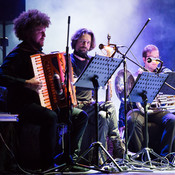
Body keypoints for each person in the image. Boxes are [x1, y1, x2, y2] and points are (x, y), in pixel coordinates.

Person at [0, 9, 88, 171]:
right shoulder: (17, 55)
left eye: (45, 31)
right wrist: (25, 82)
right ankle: (47, 166)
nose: (44, 36)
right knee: (50, 116)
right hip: (22, 105)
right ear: (27, 33)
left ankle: (66, 159)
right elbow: (1, 77)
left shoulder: (40, 54)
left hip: (41, 103)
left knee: (79, 115)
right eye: (40, 32)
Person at [70, 28, 125, 164]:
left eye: (88, 42)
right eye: (82, 41)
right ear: (75, 42)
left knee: (104, 114)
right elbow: (70, 83)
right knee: (106, 110)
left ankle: (100, 159)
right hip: (76, 105)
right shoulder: (68, 60)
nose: (85, 45)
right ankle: (118, 146)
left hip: (90, 104)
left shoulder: (91, 61)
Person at [118, 44, 175, 161]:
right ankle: (141, 156)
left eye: (157, 58)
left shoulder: (164, 74)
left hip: (158, 111)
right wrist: (121, 121)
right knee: (132, 120)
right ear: (144, 59)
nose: (155, 61)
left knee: (172, 120)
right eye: (151, 58)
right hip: (140, 110)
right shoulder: (135, 76)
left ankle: (165, 158)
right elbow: (125, 100)